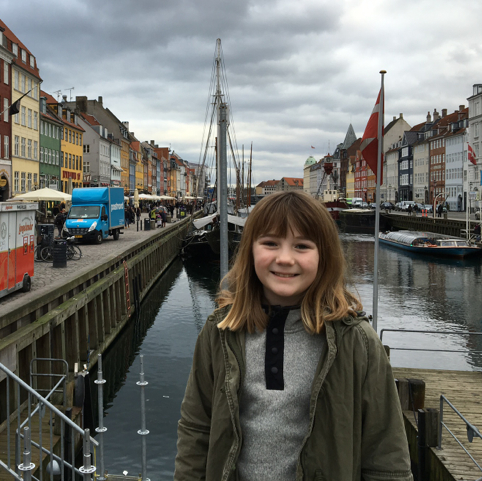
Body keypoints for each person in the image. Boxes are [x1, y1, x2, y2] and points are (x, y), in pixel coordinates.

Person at [174, 191, 412, 481]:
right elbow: (197, 429)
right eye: (271, 243)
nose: (285, 259)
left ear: (323, 256)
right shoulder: (220, 331)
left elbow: (385, 454)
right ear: (250, 250)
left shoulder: (356, 342)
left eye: (301, 246)